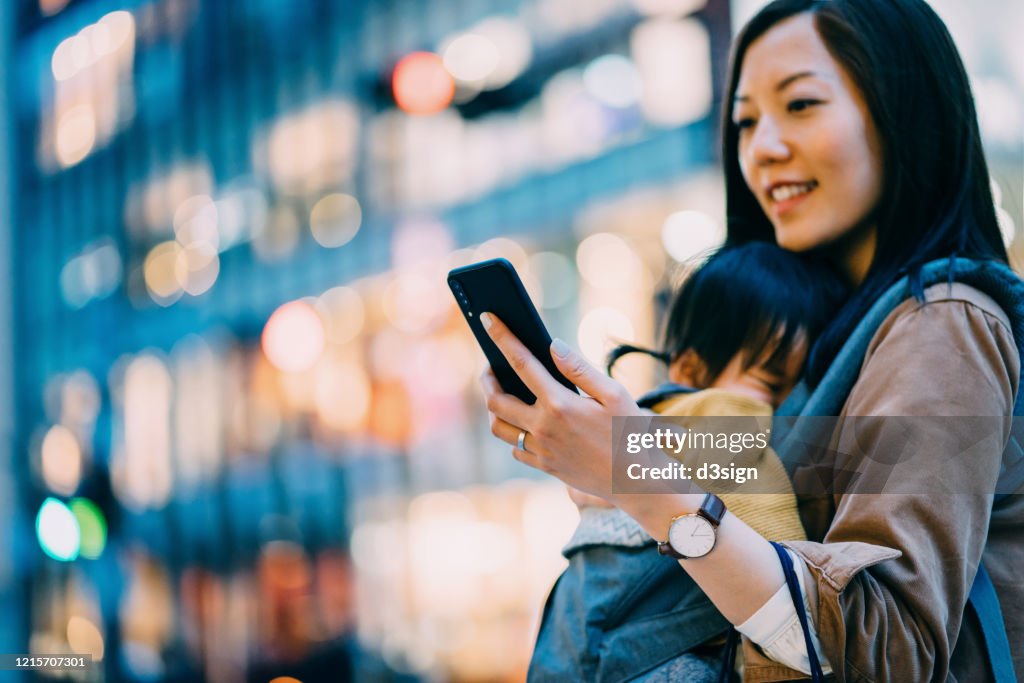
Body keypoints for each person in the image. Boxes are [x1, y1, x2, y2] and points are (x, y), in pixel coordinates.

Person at [479, 0, 1023, 680]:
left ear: (905, 112)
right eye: (745, 119)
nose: (762, 146)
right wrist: (604, 454)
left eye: (800, 104)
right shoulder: (832, 331)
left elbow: (895, 649)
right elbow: (745, 457)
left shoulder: (941, 321)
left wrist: (643, 478)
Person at [529, 243, 847, 682]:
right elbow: (783, 565)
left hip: (566, 646)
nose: (784, 409)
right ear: (693, 371)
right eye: (771, 385)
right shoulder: (730, 416)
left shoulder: (644, 419)